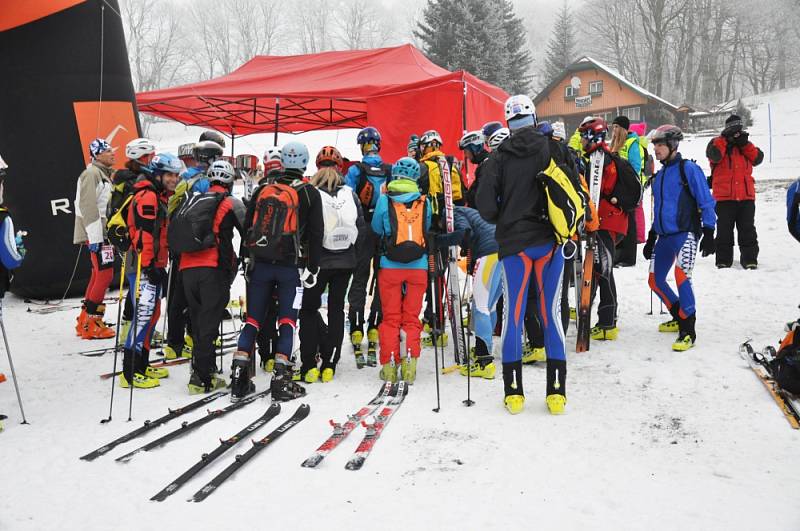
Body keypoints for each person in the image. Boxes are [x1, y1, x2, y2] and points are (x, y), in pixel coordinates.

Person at [476, 94, 567, 416]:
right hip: (550, 241)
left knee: (513, 314)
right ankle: (557, 393)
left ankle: (513, 393)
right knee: (550, 314)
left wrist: (508, 213)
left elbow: (485, 207)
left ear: (508, 122)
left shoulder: (498, 158)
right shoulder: (552, 146)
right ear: (534, 116)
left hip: (514, 244)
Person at [232, 141, 323, 402]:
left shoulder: (263, 189)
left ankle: (239, 377)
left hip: (259, 264)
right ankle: (281, 379)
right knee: (287, 320)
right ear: (305, 163)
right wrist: (313, 267)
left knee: (253, 319)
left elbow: (248, 227)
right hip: (290, 268)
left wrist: (245, 259)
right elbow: (316, 234)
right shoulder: (309, 193)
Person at [643, 125, 716, 351]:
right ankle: (678, 314)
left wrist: (709, 230)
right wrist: (652, 235)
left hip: (685, 233)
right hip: (664, 236)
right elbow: (660, 209)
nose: (656, 149)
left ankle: (688, 328)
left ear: (673, 145)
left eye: (660, 144)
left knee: (681, 275)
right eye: (654, 145)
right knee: (655, 280)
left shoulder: (688, 169)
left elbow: (705, 199)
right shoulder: (661, 174)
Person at [177, 160, 245, 393]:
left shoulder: (193, 199)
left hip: (186, 269)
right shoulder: (230, 202)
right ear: (229, 181)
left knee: (197, 321)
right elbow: (248, 231)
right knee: (209, 323)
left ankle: (204, 368)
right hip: (212, 268)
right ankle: (201, 378)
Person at [298, 146, 364, 383]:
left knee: (308, 309)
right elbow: (361, 227)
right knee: (336, 309)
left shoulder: (309, 192)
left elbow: (303, 229)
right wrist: (356, 259)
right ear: (339, 167)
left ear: (317, 167)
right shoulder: (350, 194)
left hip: (317, 263)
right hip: (345, 261)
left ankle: (308, 365)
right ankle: (330, 364)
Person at [120, 153, 180, 389]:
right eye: (169, 175)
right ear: (158, 175)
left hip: (153, 263)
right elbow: (143, 236)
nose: (174, 179)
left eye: (176, 175)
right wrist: (149, 266)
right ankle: (130, 372)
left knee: (152, 314)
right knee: (143, 316)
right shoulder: (148, 197)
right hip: (144, 265)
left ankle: (142, 365)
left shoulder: (158, 196)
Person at [371, 157, 431, 383]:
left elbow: (377, 228)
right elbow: (426, 229)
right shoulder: (425, 201)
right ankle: (409, 365)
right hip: (418, 267)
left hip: (390, 266)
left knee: (391, 318)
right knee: (412, 317)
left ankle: (389, 367)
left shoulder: (385, 199)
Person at [163, 139, 223, 361]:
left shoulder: (184, 177)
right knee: (198, 297)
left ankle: (174, 341)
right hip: (200, 246)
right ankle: (193, 336)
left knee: (178, 295)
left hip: (178, 242)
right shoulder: (206, 181)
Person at [579, 117, 629, 342]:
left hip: (606, 221)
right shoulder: (595, 157)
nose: (581, 140)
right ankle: (597, 315)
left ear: (593, 136)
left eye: (584, 135)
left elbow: (598, 191)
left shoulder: (601, 159)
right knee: (599, 268)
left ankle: (608, 322)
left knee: (604, 269)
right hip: (604, 220)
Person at [344, 127, 390, 367]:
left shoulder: (355, 170)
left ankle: (357, 327)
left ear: (362, 146)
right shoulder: (390, 169)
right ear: (378, 145)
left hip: (362, 228)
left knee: (360, 277)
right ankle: (375, 326)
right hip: (385, 230)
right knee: (383, 278)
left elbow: (346, 197)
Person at [112, 138, 157, 345]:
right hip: (135, 241)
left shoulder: (121, 178)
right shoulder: (137, 180)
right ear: (142, 158)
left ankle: (130, 331)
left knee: (134, 287)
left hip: (125, 240)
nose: (153, 160)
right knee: (139, 290)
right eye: (150, 156)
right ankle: (132, 334)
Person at [706, 114, 764, 269]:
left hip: (746, 196)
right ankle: (723, 260)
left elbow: (758, 158)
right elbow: (714, 156)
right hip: (725, 198)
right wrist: (725, 140)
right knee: (724, 230)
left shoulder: (746, 145)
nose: (735, 134)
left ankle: (750, 259)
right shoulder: (716, 143)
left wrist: (744, 144)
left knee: (747, 230)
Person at [73, 138, 116, 340]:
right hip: (98, 233)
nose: (112, 153)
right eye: (107, 151)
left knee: (98, 273)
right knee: (105, 275)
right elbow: (88, 206)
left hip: (100, 232)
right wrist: (96, 237)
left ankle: (85, 320)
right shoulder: (91, 174)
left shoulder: (100, 173)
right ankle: (92, 322)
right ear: (97, 154)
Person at [452, 205, 498, 379]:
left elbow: (463, 231)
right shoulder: (475, 213)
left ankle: (484, 361)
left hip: (488, 255)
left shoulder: (456, 212)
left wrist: (442, 239)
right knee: (491, 306)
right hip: (505, 253)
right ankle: (484, 348)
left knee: (480, 307)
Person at [609, 116, 643, 267]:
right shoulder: (612, 144)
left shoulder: (631, 143)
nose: (614, 130)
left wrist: (626, 179)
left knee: (630, 220)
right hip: (616, 186)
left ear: (623, 129)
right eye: (613, 127)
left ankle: (628, 257)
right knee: (619, 219)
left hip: (628, 186)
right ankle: (618, 253)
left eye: (617, 127)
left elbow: (636, 166)